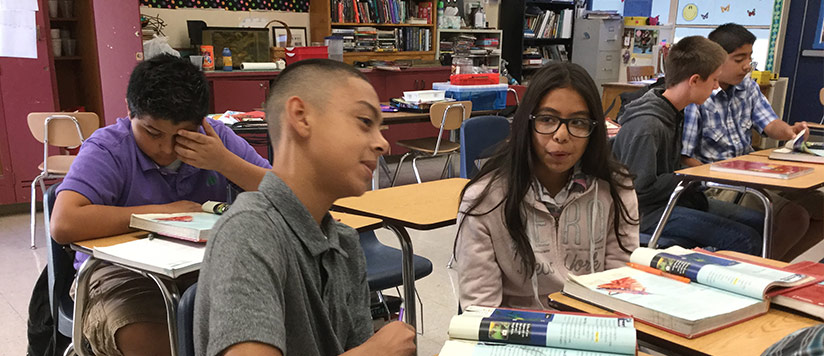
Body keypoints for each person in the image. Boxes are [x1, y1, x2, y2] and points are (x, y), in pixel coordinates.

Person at [49, 54, 271, 356]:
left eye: (182, 135)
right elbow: (64, 223)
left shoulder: (214, 140)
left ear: (201, 122)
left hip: (207, 269)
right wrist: (160, 213)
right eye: (153, 133)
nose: (166, 148)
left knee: (264, 326)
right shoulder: (109, 148)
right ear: (130, 111)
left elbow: (285, 194)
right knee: (156, 342)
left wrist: (225, 162)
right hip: (119, 275)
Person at [193, 59, 416, 356]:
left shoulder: (344, 244)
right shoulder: (249, 230)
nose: (383, 143)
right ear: (301, 117)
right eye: (364, 121)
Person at [453, 62, 640, 311]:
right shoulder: (484, 200)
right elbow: (480, 308)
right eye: (547, 119)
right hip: (516, 336)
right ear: (526, 124)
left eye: (579, 122)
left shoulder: (616, 189)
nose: (561, 135)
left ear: (593, 130)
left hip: (591, 331)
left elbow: (619, 287)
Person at [681, 23, 822, 261]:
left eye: (750, 57)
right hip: (716, 185)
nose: (747, 66)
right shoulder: (698, 94)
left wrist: (789, 131)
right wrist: (719, 174)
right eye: (739, 59)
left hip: (752, 174)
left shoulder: (747, 86)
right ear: (716, 58)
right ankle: (759, 271)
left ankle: (774, 266)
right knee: (795, 217)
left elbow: (769, 123)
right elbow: (684, 157)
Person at [612, 36, 764, 255]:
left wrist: (693, 176)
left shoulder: (673, 113)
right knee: (745, 239)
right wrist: (692, 175)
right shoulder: (647, 125)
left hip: (672, 201)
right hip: (645, 213)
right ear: (694, 80)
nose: (715, 87)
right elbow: (639, 189)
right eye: (713, 80)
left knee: (758, 221)